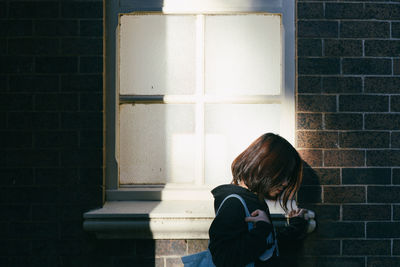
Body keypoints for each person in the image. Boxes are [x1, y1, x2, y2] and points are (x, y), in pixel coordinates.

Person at [208, 133, 309, 267]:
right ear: (264, 166)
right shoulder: (234, 203)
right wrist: (262, 230)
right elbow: (223, 259)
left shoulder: (255, 201)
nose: (286, 183)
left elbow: (268, 246)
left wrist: (296, 225)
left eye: (288, 176)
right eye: (283, 174)